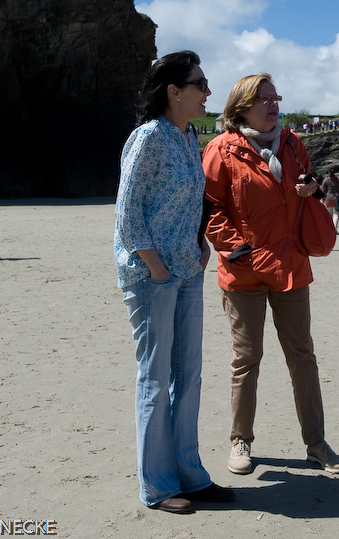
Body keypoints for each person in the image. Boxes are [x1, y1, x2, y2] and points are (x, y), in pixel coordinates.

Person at [203, 73, 339, 477]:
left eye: (276, 97)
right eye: (264, 98)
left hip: (291, 266)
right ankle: (240, 440)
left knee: (303, 356)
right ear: (241, 106)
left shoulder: (292, 143)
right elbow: (212, 210)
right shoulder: (220, 149)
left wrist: (310, 190)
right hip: (244, 271)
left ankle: (316, 444)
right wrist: (241, 252)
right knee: (247, 358)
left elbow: (308, 192)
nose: (273, 104)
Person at [114, 50, 234, 514]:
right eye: (200, 84)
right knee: (155, 376)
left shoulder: (189, 137)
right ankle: (159, 485)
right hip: (152, 276)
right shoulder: (147, 137)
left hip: (186, 268)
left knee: (189, 376)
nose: (208, 92)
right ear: (174, 90)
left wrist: (201, 242)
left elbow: (186, 201)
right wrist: (155, 266)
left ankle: (190, 474)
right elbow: (127, 212)